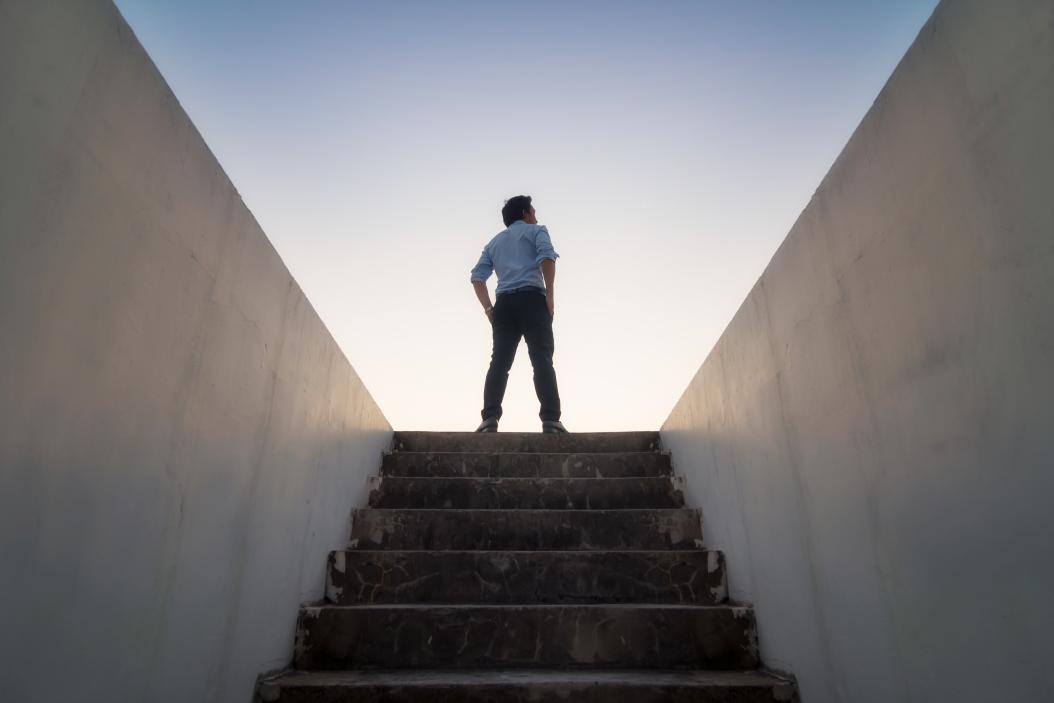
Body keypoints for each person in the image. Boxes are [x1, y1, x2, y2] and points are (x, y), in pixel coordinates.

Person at [470, 195, 567, 434]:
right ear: (525, 213)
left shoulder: (494, 243)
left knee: (499, 363)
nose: (536, 216)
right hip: (533, 300)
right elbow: (546, 257)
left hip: (504, 305)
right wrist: (550, 295)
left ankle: (489, 418)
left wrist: (489, 309)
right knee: (542, 360)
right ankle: (551, 420)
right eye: (533, 211)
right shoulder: (537, 232)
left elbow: (477, 277)